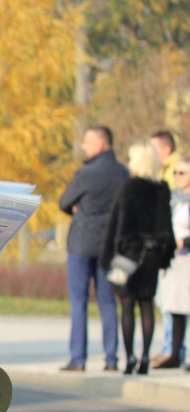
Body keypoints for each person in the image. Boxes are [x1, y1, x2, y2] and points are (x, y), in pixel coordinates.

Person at [100, 142, 175, 374]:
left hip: (129, 252)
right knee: (146, 304)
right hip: (152, 254)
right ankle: (144, 358)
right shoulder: (161, 189)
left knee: (127, 305)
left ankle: (130, 357)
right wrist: (165, 255)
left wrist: (108, 256)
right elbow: (166, 226)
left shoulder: (129, 187)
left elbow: (117, 224)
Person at [59, 125, 129, 372]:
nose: (83, 146)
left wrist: (77, 208)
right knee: (108, 301)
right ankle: (111, 359)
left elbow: (64, 202)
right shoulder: (123, 173)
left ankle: (78, 359)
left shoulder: (86, 173)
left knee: (79, 301)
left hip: (81, 244)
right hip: (109, 245)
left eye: (87, 141)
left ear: (101, 144)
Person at [155, 155, 190, 369]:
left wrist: (185, 241)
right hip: (172, 260)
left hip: (187, 258)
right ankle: (175, 353)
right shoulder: (171, 198)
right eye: (175, 172)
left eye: (182, 173)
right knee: (174, 307)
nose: (177, 176)